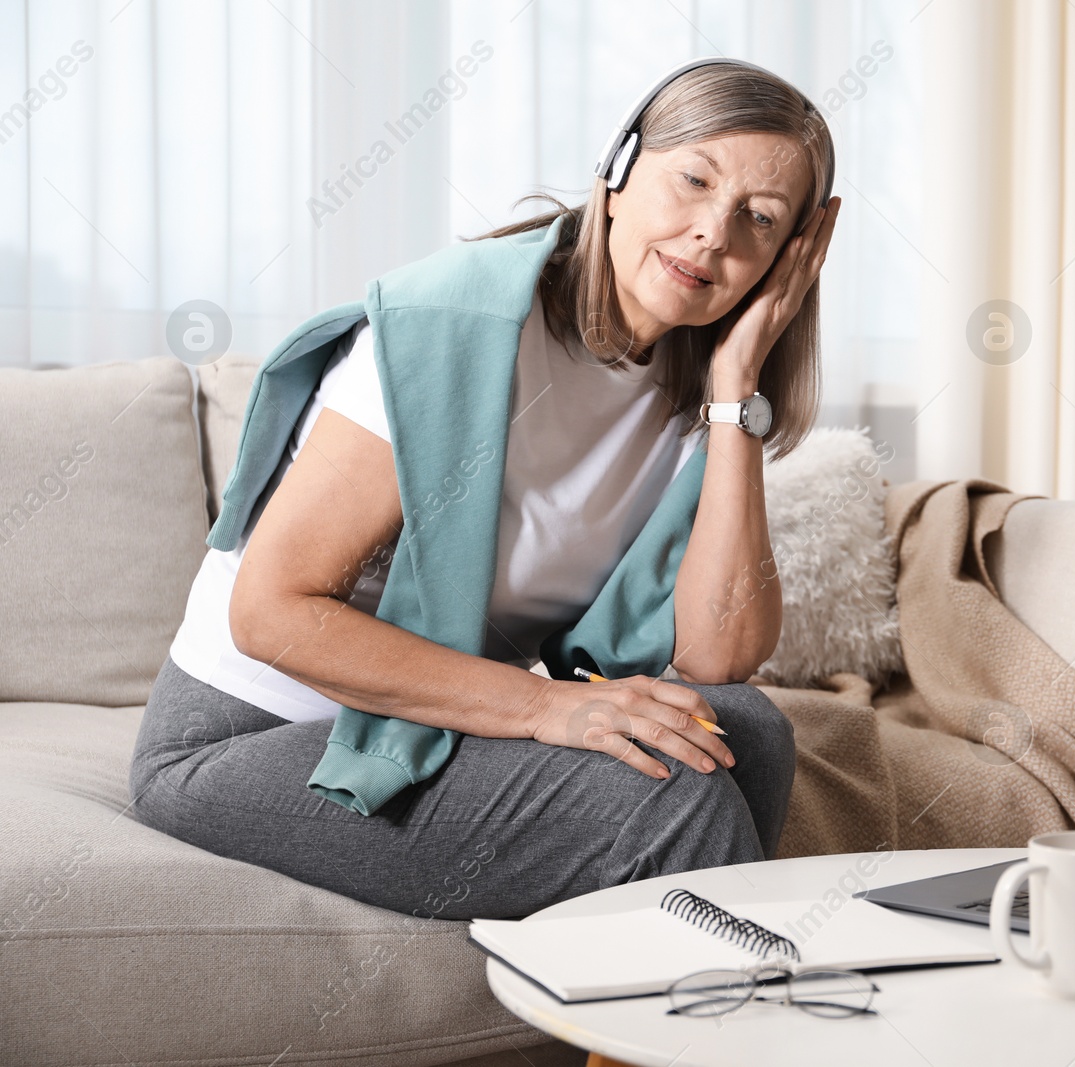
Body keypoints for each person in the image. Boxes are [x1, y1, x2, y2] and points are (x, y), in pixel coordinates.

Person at [128, 60, 841, 921]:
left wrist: (735, 392)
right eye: (693, 180)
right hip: (247, 737)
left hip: (430, 726)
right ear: (617, 170)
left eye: (757, 219)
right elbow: (270, 612)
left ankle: (640, 1021)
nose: (711, 235)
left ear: (789, 257)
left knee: (742, 734)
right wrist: (545, 706)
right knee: (671, 798)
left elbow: (720, 658)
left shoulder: (696, 392)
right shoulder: (454, 327)